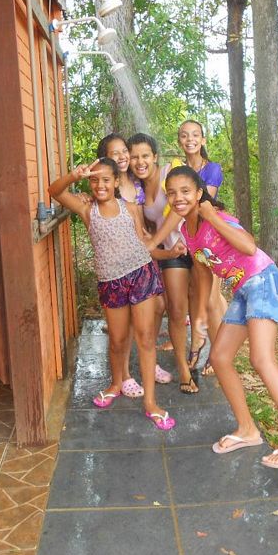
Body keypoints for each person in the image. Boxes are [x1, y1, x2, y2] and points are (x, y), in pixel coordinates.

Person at [164, 166, 278, 468]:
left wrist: (212, 217)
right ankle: (247, 429)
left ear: (199, 193)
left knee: (261, 359)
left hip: (263, 280)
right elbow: (203, 272)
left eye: (185, 191)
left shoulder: (217, 217)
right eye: (171, 193)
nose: (178, 197)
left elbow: (249, 247)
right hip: (243, 289)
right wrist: (200, 315)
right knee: (220, 357)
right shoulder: (186, 230)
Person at [48, 158, 175, 430]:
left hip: (140, 275)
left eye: (106, 179)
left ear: (116, 181)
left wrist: (166, 254)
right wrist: (74, 176)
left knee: (145, 338)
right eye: (94, 180)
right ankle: (116, 383)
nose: (100, 185)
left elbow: (144, 243)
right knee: (117, 340)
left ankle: (150, 402)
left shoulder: (130, 208)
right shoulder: (86, 209)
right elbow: (54, 191)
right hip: (111, 283)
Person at [96, 134, 172, 394]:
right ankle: (125, 375)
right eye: (115, 153)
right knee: (125, 322)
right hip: (119, 264)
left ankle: (150, 362)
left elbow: (143, 217)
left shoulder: (136, 181)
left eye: (124, 151)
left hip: (143, 256)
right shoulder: (108, 185)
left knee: (156, 308)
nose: (122, 157)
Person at [128, 133, 198, 394]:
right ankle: (183, 368)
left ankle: (213, 357)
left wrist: (153, 241)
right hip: (171, 252)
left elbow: (179, 209)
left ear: (155, 157)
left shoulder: (170, 173)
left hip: (196, 245)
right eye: (134, 156)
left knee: (208, 305)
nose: (140, 161)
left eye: (145, 155)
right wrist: (152, 241)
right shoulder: (136, 188)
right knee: (177, 311)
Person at [177, 120, 228, 377]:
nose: (190, 140)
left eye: (195, 135)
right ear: (179, 141)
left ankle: (218, 355)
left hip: (209, 238)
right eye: (185, 136)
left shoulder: (213, 169)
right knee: (197, 294)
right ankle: (206, 345)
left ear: (203, 140)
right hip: (188, 236)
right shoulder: (177, 168)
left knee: (211, 299)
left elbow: (201, 202)